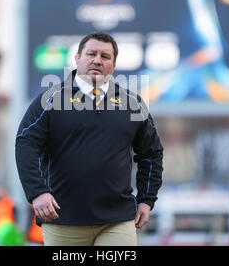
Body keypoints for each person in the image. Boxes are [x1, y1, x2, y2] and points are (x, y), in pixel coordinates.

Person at [15, 31, 163, 246]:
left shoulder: (132, 103)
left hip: (117, 219)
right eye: (91, 54)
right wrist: (37, 193)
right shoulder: (50, 100)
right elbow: (25, 144)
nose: (97, 60)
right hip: (62, 218)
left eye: (105, 56)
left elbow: (151, 154)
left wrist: (146, 200)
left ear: (113, 64)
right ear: (77, 58)